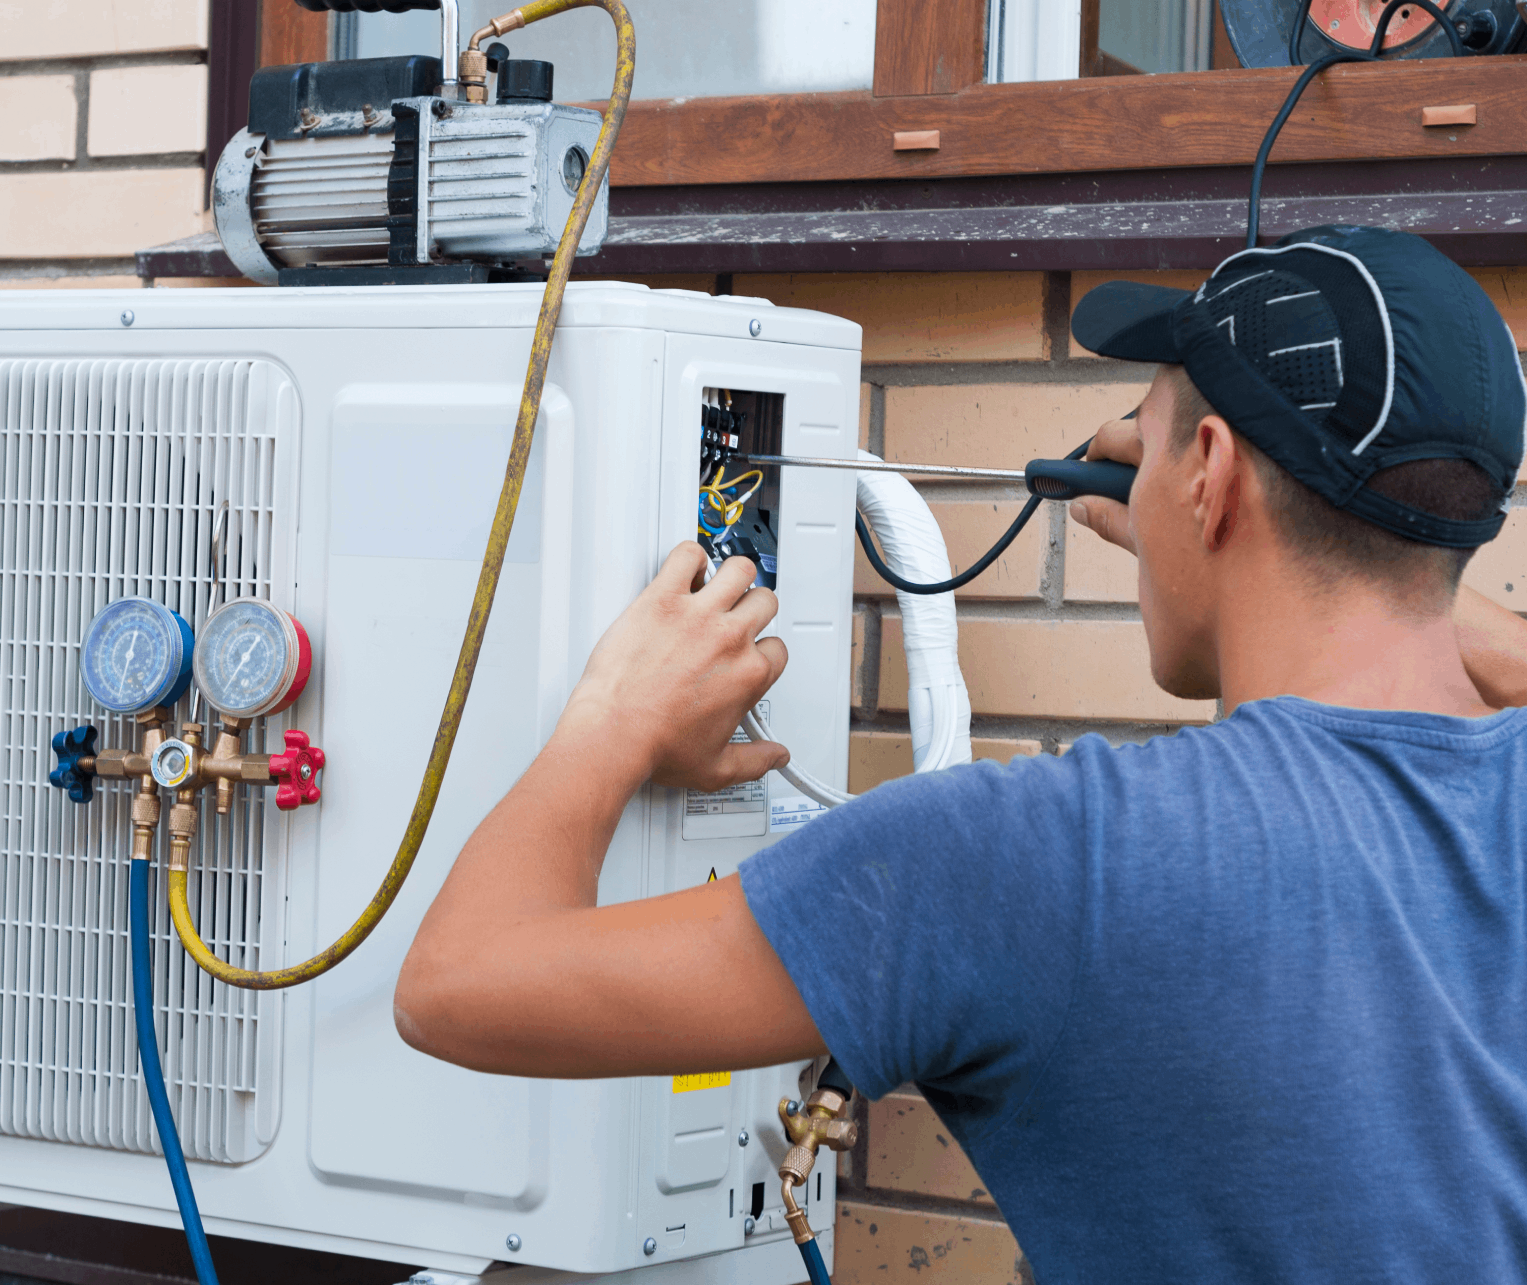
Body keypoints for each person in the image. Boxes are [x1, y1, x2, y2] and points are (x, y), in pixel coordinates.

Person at [393, 226, 1527, 1280]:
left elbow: (457, 986)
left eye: (1156, 432)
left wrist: (616, 716)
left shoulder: (1043, 858)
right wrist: (1336, 553)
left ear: (1213, 470)